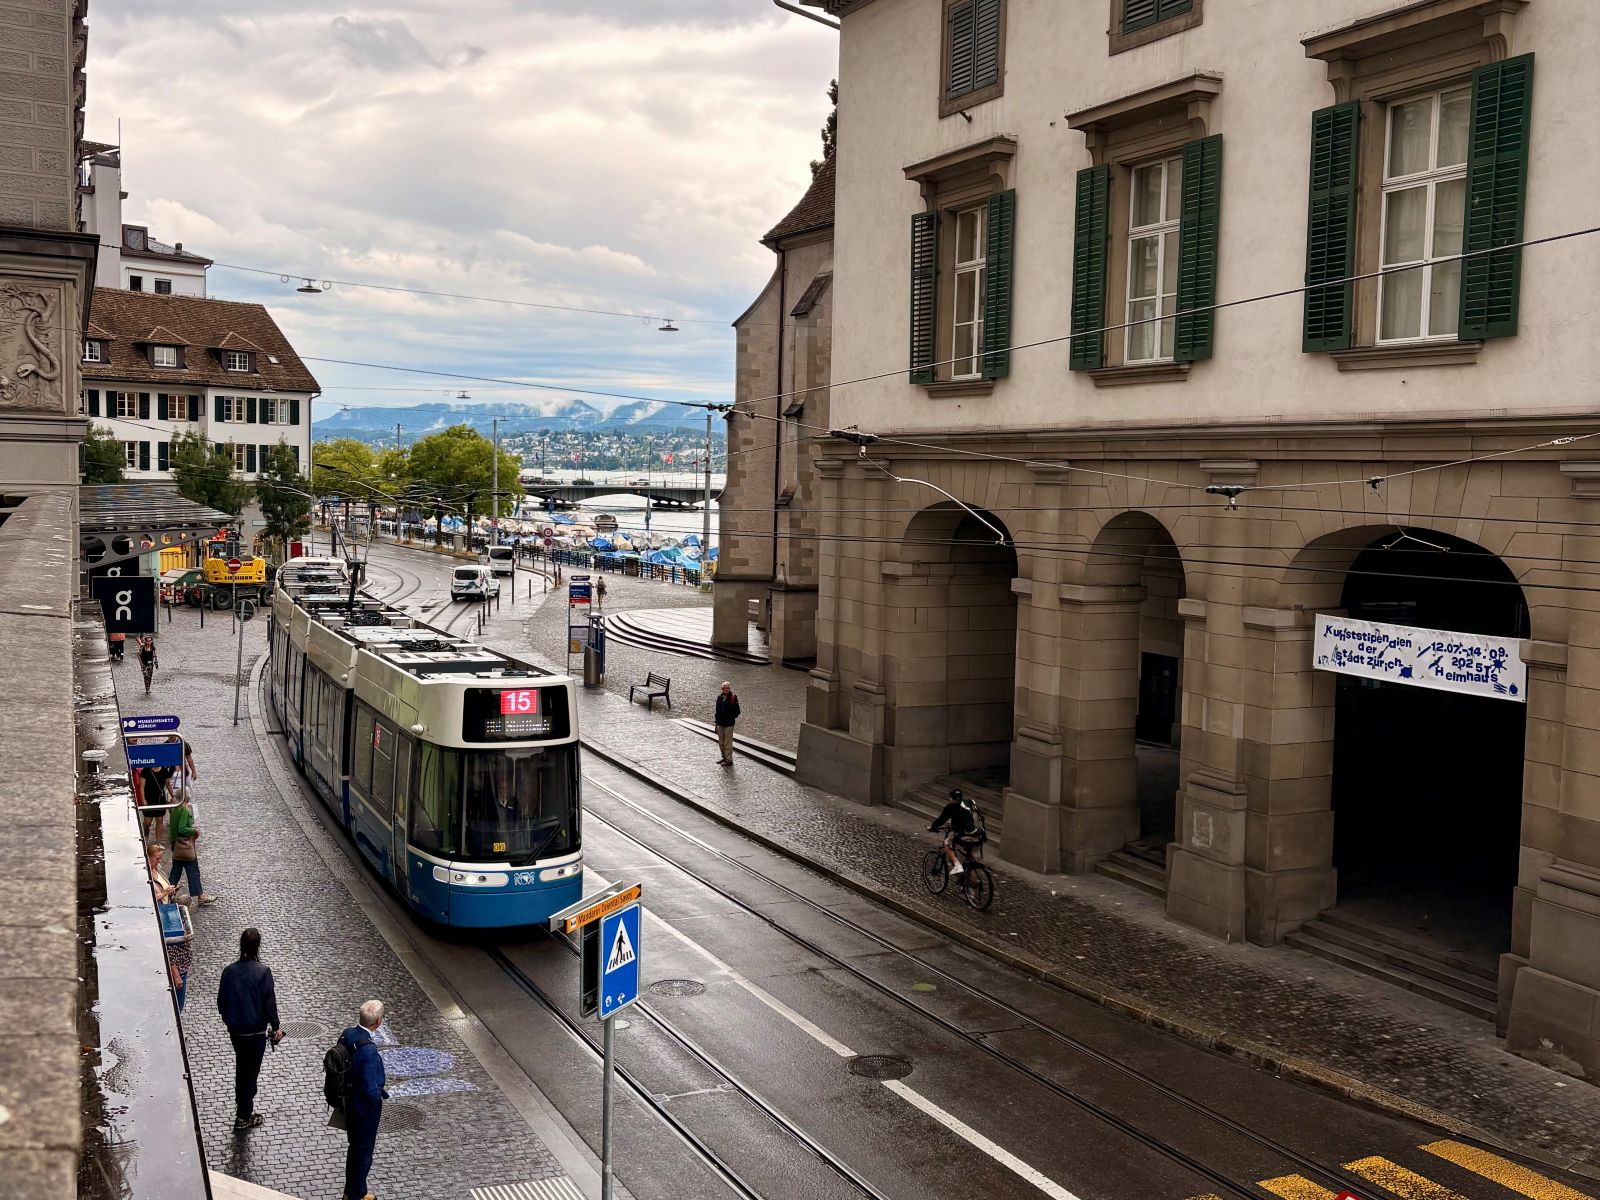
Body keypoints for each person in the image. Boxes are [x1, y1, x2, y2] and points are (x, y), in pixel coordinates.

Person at [216, 928, 284, 1132]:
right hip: (255, 1033)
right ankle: (244, 1115)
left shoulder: (229, 971)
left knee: (242, 1068)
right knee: (250, 1072)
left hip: (236, 1032)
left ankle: (243, 1108)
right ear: (258, 946)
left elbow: (221, 1002)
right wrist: (276, 1026)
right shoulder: (263, 972)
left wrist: (230, 1019)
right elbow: (269, 1003)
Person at [339, 999, 389, 1200]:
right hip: (363, 1109)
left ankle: (351, 1191)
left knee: (355, 1148)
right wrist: (377, 1099)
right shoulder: (368, 1050)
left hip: (348, 1101)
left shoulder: (347, 1034)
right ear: (378, 1022)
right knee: (363, 1152)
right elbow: (370, 1088)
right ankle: (356, 1194)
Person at [168, 791, 215, 905]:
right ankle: (200, 896)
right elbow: (182, 829)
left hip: (176, 845)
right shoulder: (184, 811)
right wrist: (194, 830)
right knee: (193, 871)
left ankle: (167, 891)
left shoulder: (173, 809)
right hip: (185, 847)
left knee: (176, 871)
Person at [928, 788, 981, 876]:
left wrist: (932, 827)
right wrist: (952, 825)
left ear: (951, 798)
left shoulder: (951, 807)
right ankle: (972, 881)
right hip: (977, 835)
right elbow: (964, 819)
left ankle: (957, 865)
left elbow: (941, 819)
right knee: (969, 856)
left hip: (965, 835)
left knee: (947, 843)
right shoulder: (967, 805)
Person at [713, 681, 740, 766]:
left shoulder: (733, 698)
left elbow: (737, 711)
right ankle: (724, 757)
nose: (727, 689)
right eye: (725, 688)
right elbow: (717, 711)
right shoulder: (719, 698)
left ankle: (729, 760)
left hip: (729, 724)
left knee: (727, 743)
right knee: (721, 742)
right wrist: (716, 723)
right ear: (722, 689)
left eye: (728, 688)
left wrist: (731, 717)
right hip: (720, 724)